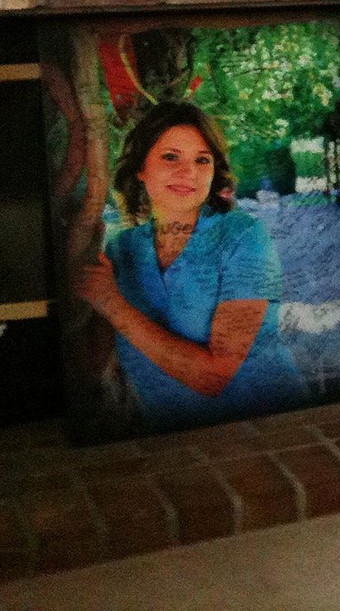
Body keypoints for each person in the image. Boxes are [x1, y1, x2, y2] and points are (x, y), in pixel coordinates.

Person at [76, 99, 307, 432]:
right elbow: (93, 357)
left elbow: (215, 376)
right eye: (171, 156)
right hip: (174, 443)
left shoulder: (244, 238)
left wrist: (111, 303)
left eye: (203, 160)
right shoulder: (121, 251)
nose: (189, 172)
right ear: (141, 168)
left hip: (275, 429)